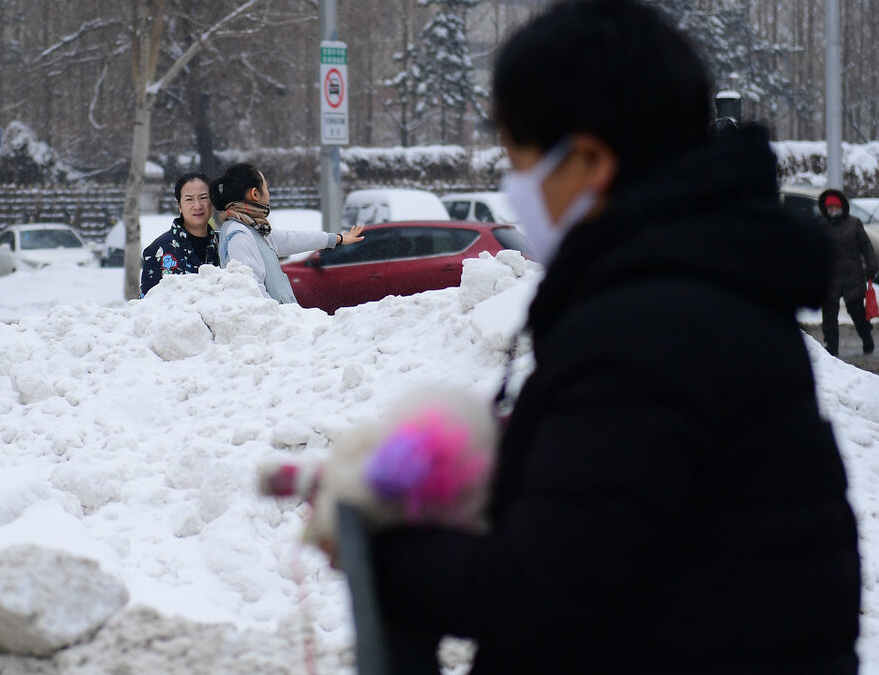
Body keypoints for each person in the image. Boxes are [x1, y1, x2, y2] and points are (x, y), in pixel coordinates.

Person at [367, 1, 861, 673]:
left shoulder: (648, 327)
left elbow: (538, 589)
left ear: (591, 160)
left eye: (518, 156)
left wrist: (382, 541)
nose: (514, 186)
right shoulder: (704, 289)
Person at [210, 163, 364, 303]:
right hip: (272, 328)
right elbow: (252, 293)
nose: (268, 194)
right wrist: (283, 320)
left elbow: (294, 239)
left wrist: (337, 239)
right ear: (255, 194)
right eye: (266, 187)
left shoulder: (255, 230)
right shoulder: (238, 236)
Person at [818, 188, 877, 356]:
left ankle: (866, 338)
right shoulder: (821, 225)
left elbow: (866, 246)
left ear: (842, 207)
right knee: (829, 315)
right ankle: (831, 347)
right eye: (831, 208)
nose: (834, 211)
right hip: (830, 277)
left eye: (836, 207)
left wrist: (871, 266)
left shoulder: (854, 223)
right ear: (826, 209)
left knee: (857, 312)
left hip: (853, 276)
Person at [140, 172, 219, 296]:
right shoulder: (159, 250)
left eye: (203, 197)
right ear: (179, 205)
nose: (197, 206)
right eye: (189, 199)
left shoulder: (222, 245)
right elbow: (146, 306)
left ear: (213, 202)